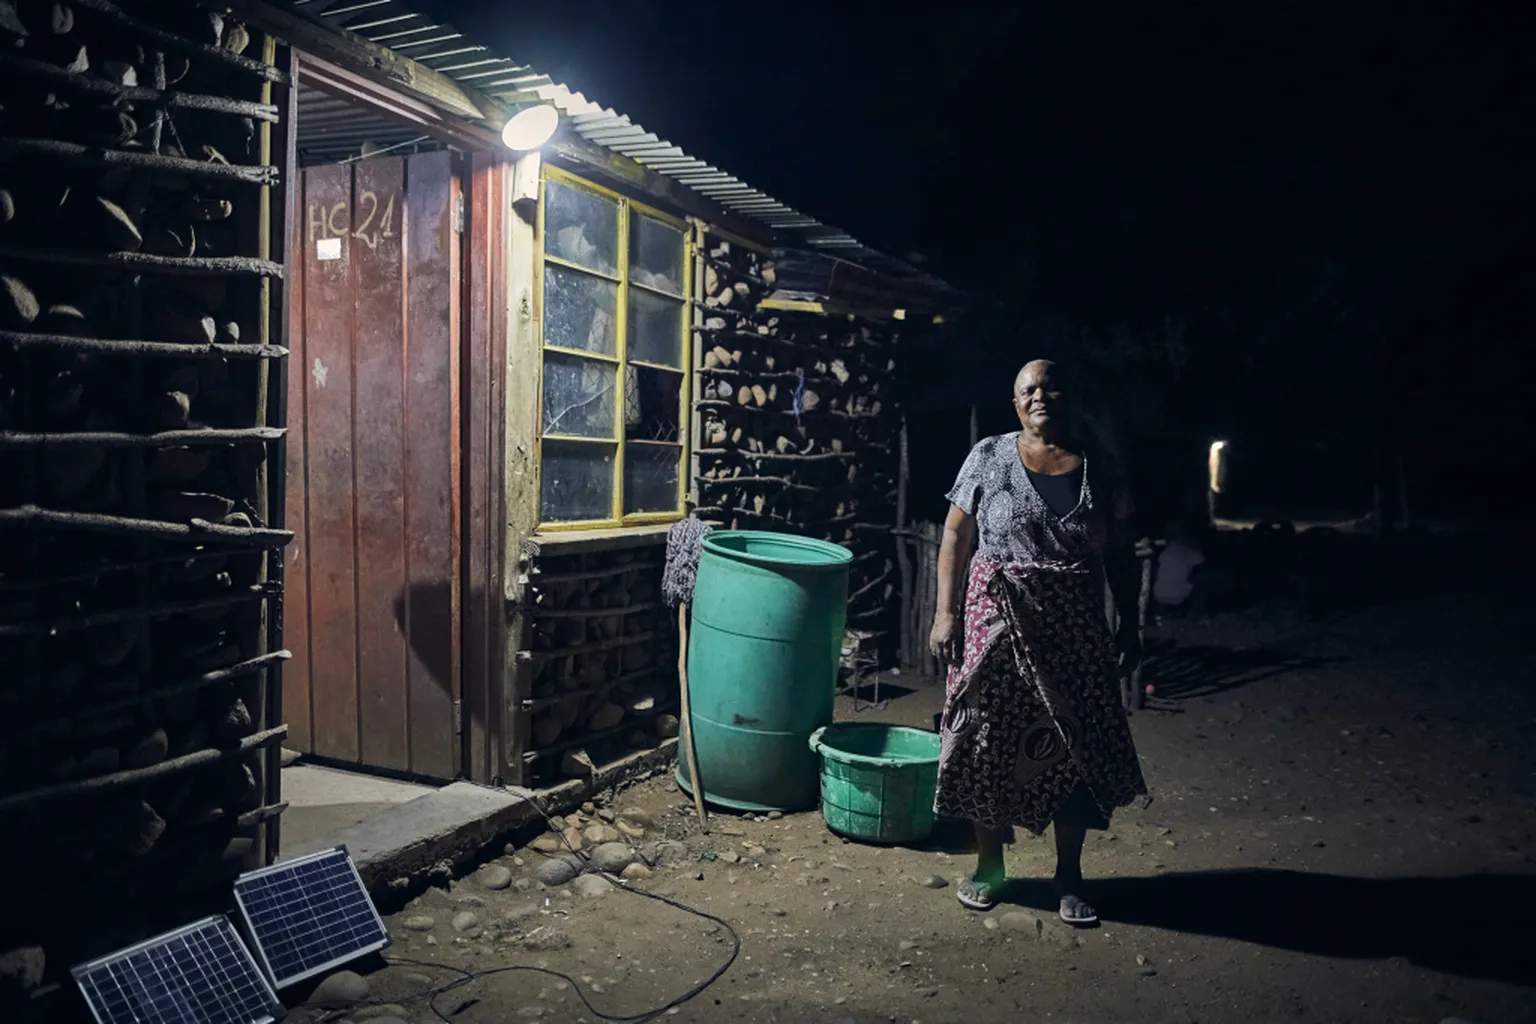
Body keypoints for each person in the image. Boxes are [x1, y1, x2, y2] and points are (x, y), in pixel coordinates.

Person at [929, 359, 1149, 925]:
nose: (1039, 395)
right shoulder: (987, 454)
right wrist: (945, 612)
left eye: (1050, 386)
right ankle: (989, 866)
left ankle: (1069, 875)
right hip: (994, 621)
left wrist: (1129, 620)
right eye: (1028, 389)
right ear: (1015, 404)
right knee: (986, 739)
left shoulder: (1098, 465)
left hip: (1072, 628)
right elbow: (956, 532)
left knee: (1073, 744)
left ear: (1068, 397)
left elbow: (1120, 550)